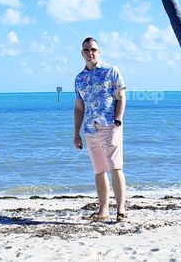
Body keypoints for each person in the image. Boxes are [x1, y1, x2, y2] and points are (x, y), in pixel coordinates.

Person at [73, 36, 128, 223]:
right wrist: (76, 133)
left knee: (115, 167)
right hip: (90, 129)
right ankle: (103, 211)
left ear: (99, 51)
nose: (90, 53)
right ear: (82, 54)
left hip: (110, 125)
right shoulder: (79, 79)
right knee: (99, 170)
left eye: (93, 50)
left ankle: (121, 211)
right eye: (86, 50)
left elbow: (121, 97)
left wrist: (118, 120)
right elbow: (79, 108)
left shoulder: (111, 71)